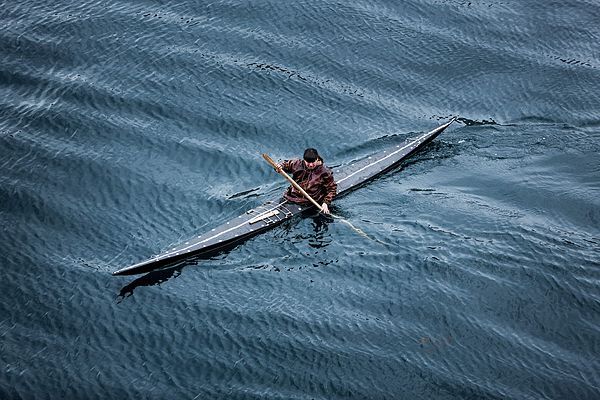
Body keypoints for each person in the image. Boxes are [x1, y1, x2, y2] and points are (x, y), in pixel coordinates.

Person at [276, 148, 337, 215]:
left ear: (317, 159)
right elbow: (285, 164)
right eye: (308, 162)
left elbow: (332, 189)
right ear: (304, 160)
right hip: (291, 196)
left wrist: (326, 203)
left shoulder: (324, 172)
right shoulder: (297, 164)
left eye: (313, 162)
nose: (310, 165)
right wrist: (280, 166)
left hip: (310, 200)